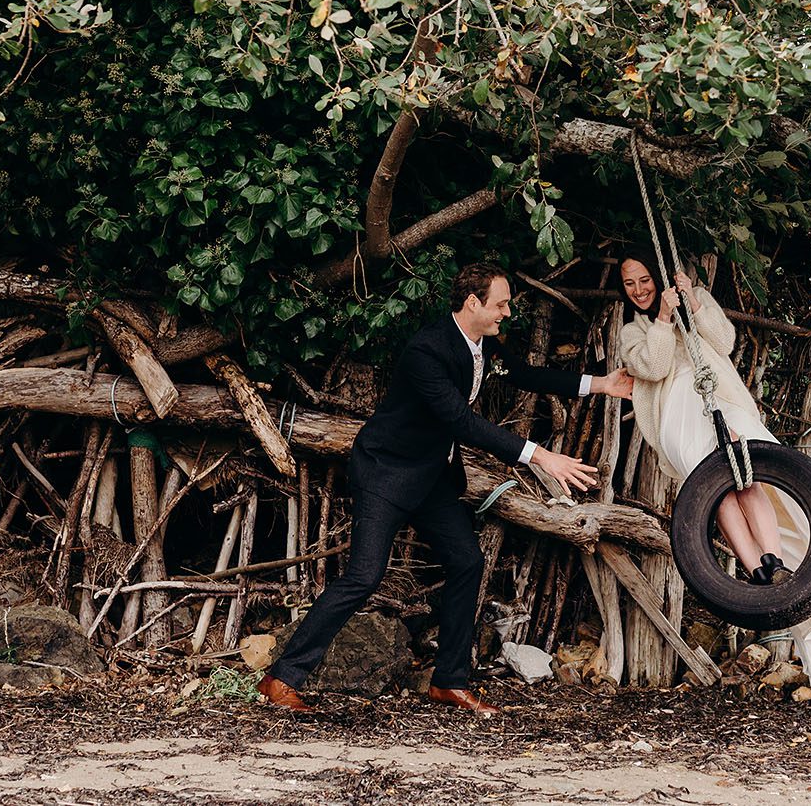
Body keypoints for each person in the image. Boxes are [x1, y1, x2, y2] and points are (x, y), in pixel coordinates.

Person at [260, 262, 635, 715]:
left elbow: (525, 374)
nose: (507, 312)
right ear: (473, 303)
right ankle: (282, 677)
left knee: (466, 561)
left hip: (433, 476)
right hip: (386, 473)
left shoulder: (485, 345)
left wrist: (600, 384)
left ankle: (448, 682)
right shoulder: (427, 351)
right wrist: (542, 457)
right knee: (363, 576)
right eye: (500, 303)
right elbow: (461, 421)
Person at [616, 254, 811, 688]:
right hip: (678, 411)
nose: (638, 289)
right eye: (629, 283)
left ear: (660, 277)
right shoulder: (633, 331)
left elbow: (724, 340)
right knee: (717, 492)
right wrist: (662, 318)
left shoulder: (696, 298)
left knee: (749, 476)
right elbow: (652, 367)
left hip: (720, 398)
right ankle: (756, 574)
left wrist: (692, 301)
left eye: (644, 279)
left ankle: (774, 564)